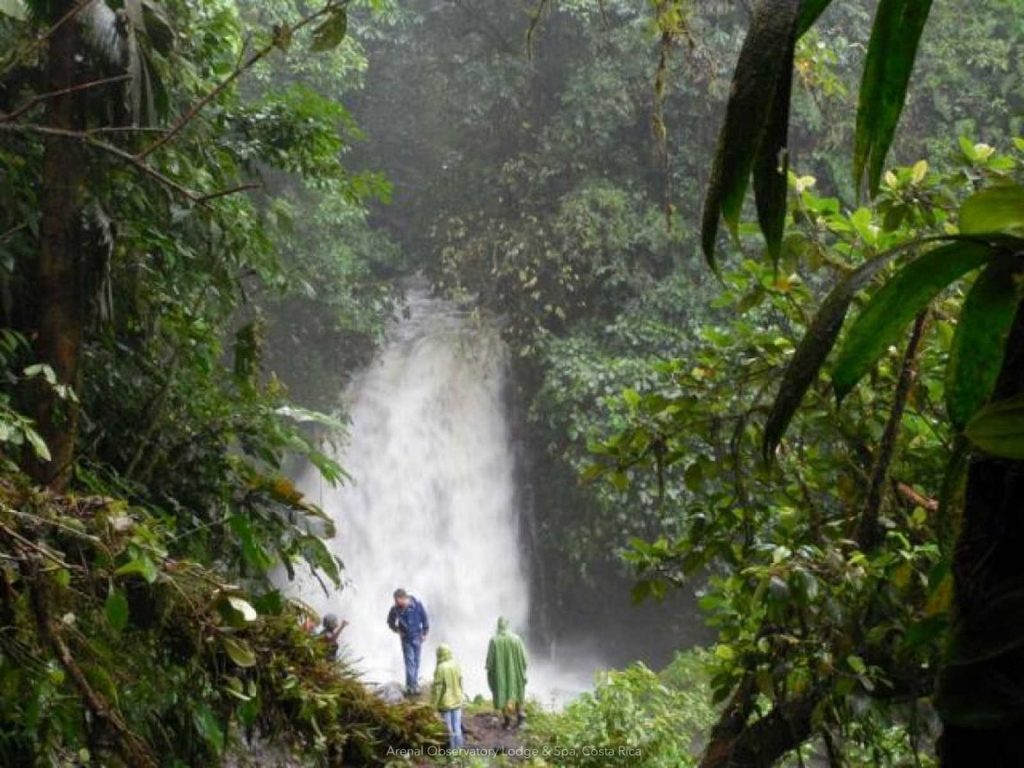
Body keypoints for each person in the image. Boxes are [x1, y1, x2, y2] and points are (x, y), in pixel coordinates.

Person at [486, 616, 528, 729]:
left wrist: (489, 670)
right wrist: (523, 669)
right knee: (518, 693)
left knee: (503, 693)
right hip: (516, 673)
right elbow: (524, 658)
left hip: (501, 674)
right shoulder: (517, 639)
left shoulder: (494, 640)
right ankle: (521, 718)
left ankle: (507, 721)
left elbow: (490, 661)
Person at [386, 588, 429, 696]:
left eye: (396, 600)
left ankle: (411, 685)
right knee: (410, 663)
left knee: (416, 662)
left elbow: (424, 619)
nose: (395, 603)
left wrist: (425, 632)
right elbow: (390, 621)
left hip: (417, 637)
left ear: (403, 598)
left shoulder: (417, 604)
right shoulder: (395, 609)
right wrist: (397, 630)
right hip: (406, 639)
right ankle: (412, 687)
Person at [432, 644, 465, 750]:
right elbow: (461, 682)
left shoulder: (440, 668)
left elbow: (438, 689)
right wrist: (461, 695)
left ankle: (451, 749)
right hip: (458, 700)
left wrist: (434, 704)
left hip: (445, 703)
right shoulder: (456, 664)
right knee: (457, 725)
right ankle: (459, 749)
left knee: (448, 728)